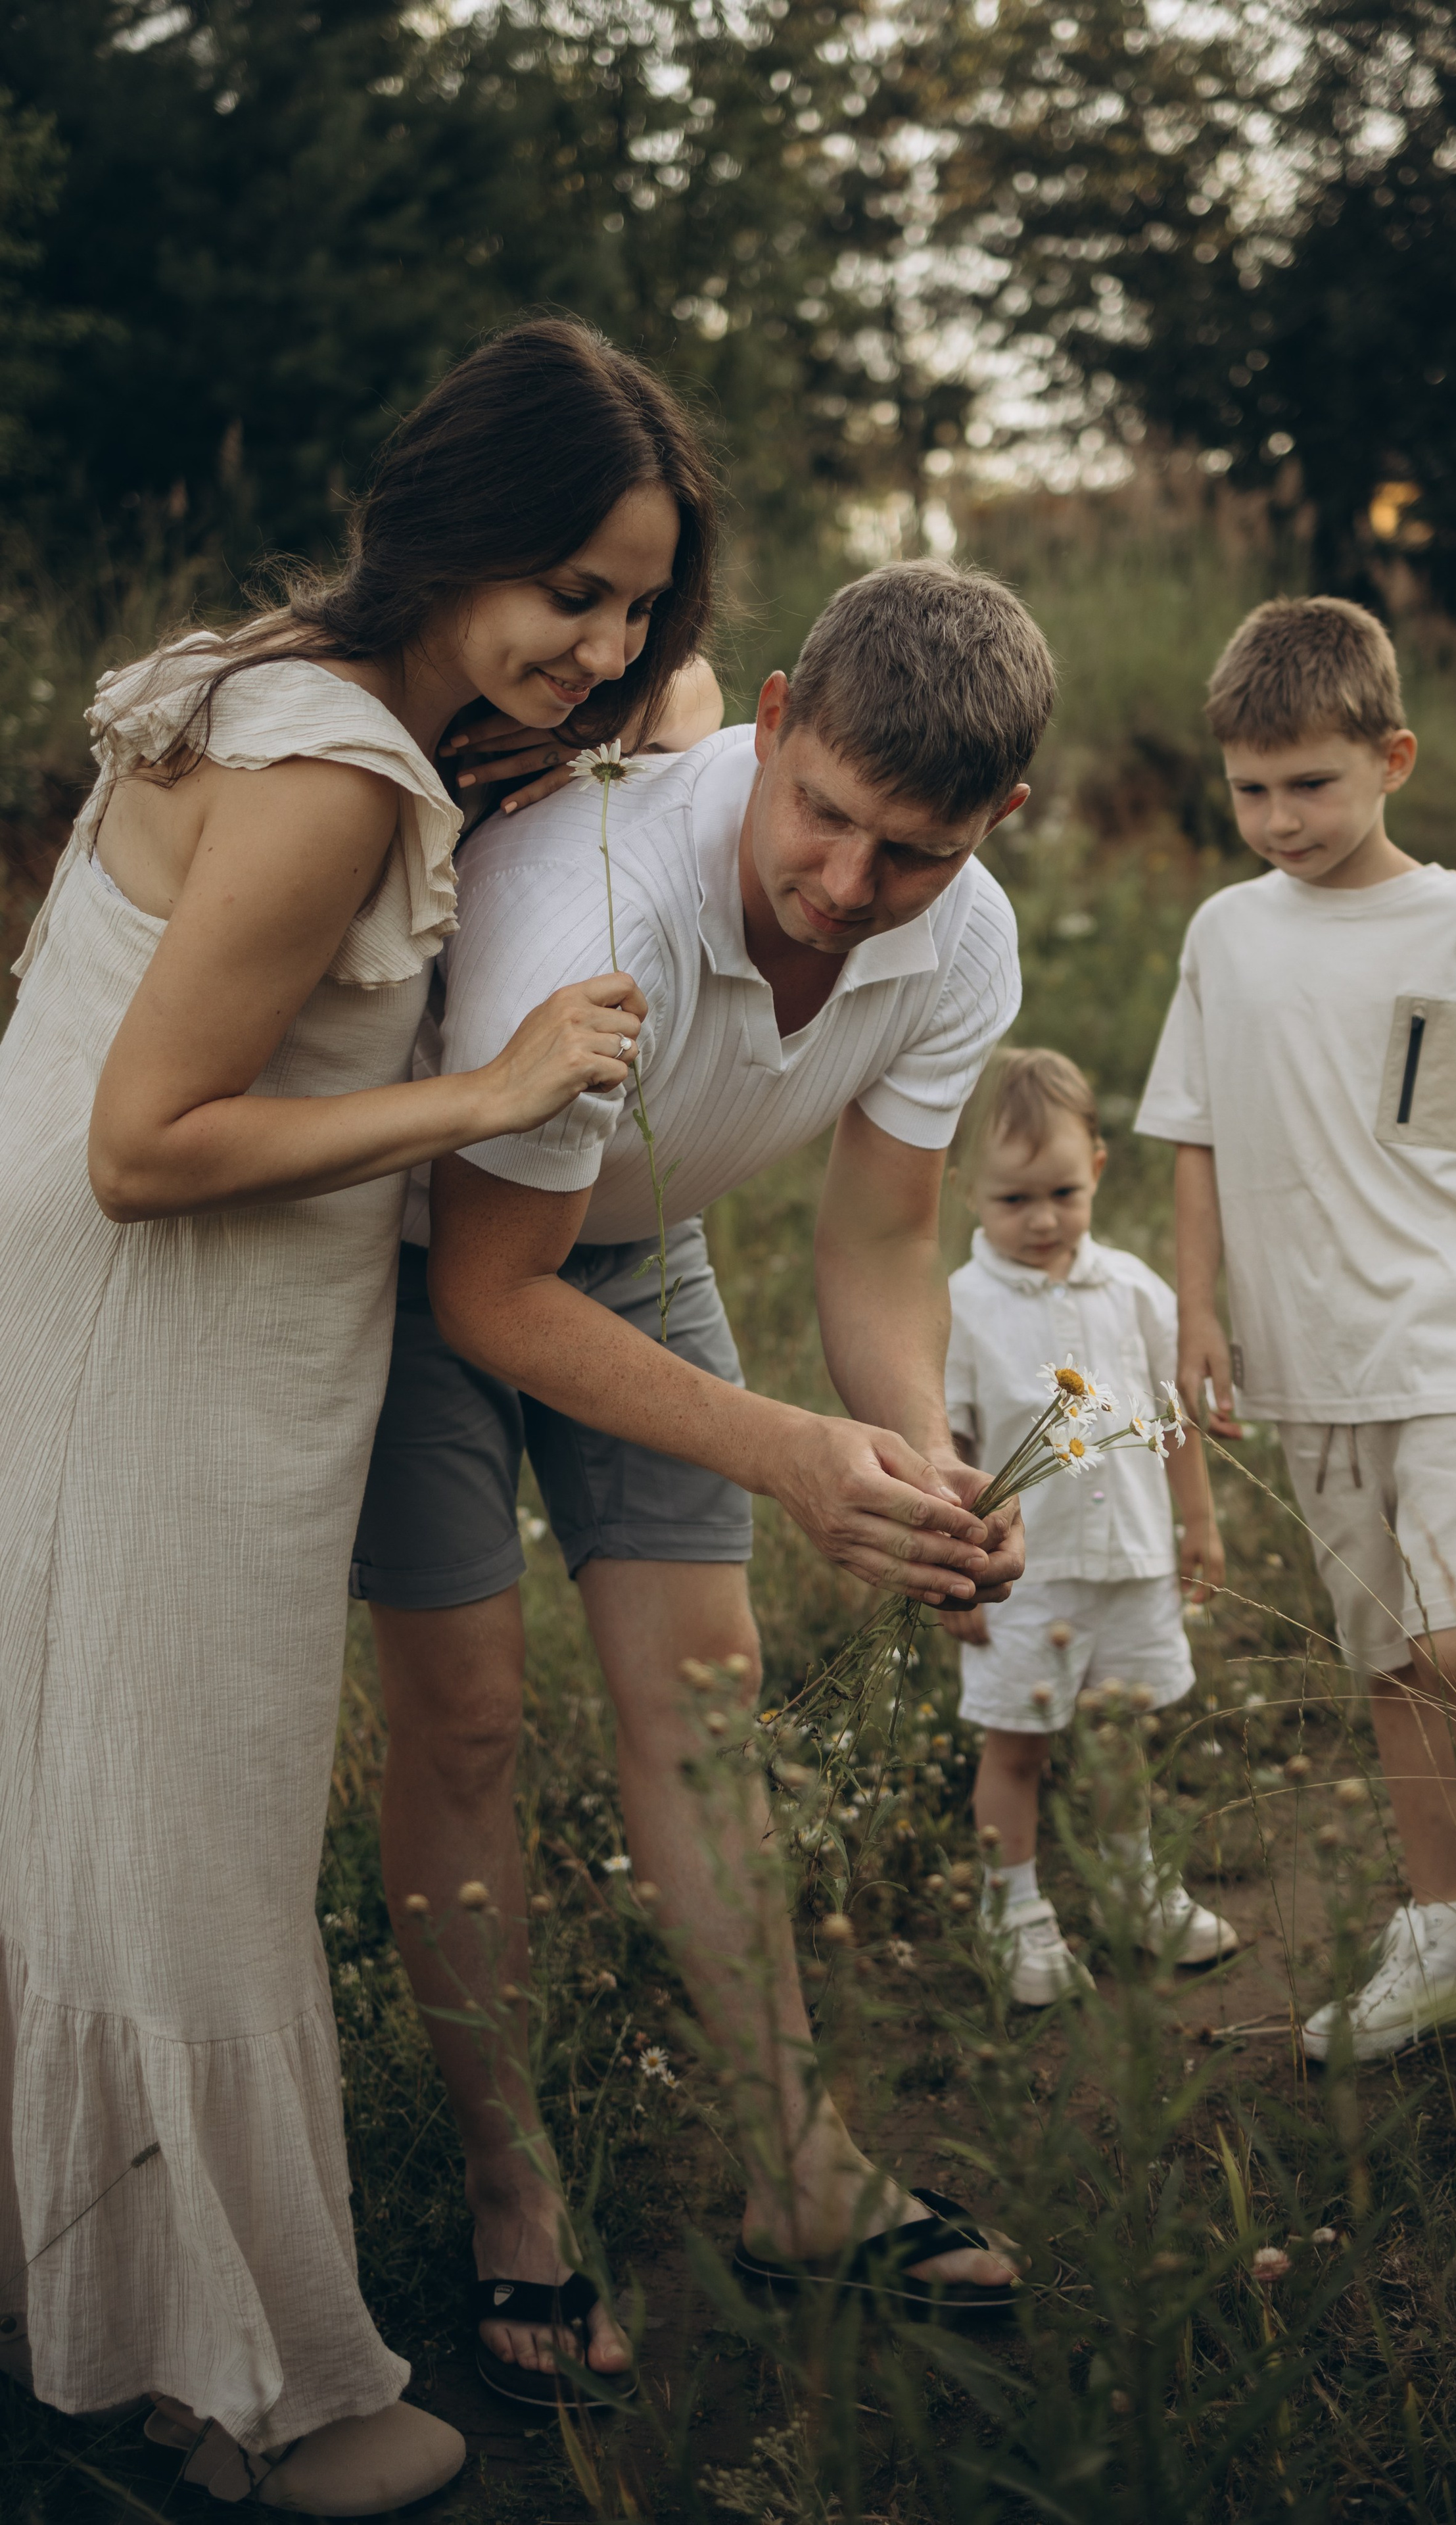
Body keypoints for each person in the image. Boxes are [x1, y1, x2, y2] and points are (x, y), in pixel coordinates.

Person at [0, 315, 715, 2513]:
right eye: (568, 586)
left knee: (98, 1780)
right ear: (457, 528)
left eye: (633, 607)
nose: (597, 647)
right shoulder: (339, 771)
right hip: (164, 1308)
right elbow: (149, 1137)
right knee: (190, 1812)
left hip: (131, 1305)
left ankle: (94, 2304)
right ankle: (229, 2386)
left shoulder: (286, 685)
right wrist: (487, 1090)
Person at [354, 560, 1053, 2392]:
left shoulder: (966, 941)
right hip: (420, 1260)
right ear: (775, 724)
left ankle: (800, 2178)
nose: (843, 883)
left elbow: (880, 1249)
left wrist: (907, 1456)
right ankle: (517, 2193)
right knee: (472, 1718)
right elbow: (496, 1293)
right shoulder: (602, 900)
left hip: (636, 1242)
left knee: (711, 1697)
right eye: (820, 813)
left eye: (910, 851)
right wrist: (791, 1459)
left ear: (999, 824)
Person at [1136, 595, 1456, 2120]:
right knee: (1390, 1661)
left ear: (1388, 757)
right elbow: (1190, 1137)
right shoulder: (1222, 933)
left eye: (1310, 784)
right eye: (1250, 789)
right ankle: (1441, 1931)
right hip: (1308, 1357)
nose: (1278, 819)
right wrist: (1199, 1311)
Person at [941, 1047, 1236, 2005]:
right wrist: (951, 1574)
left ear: (1099, 1170)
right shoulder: (956, 1307)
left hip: (1133, 1558)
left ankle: (1131, 1886)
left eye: (1062, 1191)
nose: (1041, 1220)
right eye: (1012, 1200)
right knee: (1016, 1744)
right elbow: (943, 1449)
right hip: (1021, 1575)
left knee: (1118, 1738)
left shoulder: (1138, 1292)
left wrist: (1198, 1524)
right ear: (966, 1192)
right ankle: (1013, 1906)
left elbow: (1168, 1420)